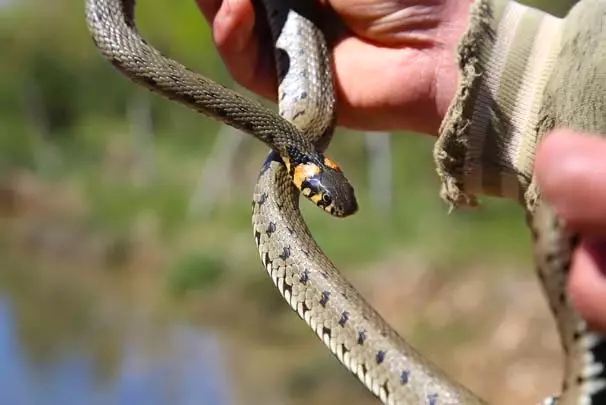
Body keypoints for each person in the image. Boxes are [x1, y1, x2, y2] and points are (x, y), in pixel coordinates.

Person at [195, 0, 606, 330]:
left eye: (324, 198)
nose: (331, 206)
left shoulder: (302, 138)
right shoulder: (301, 140)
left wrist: (441, 50)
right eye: (323, 199)